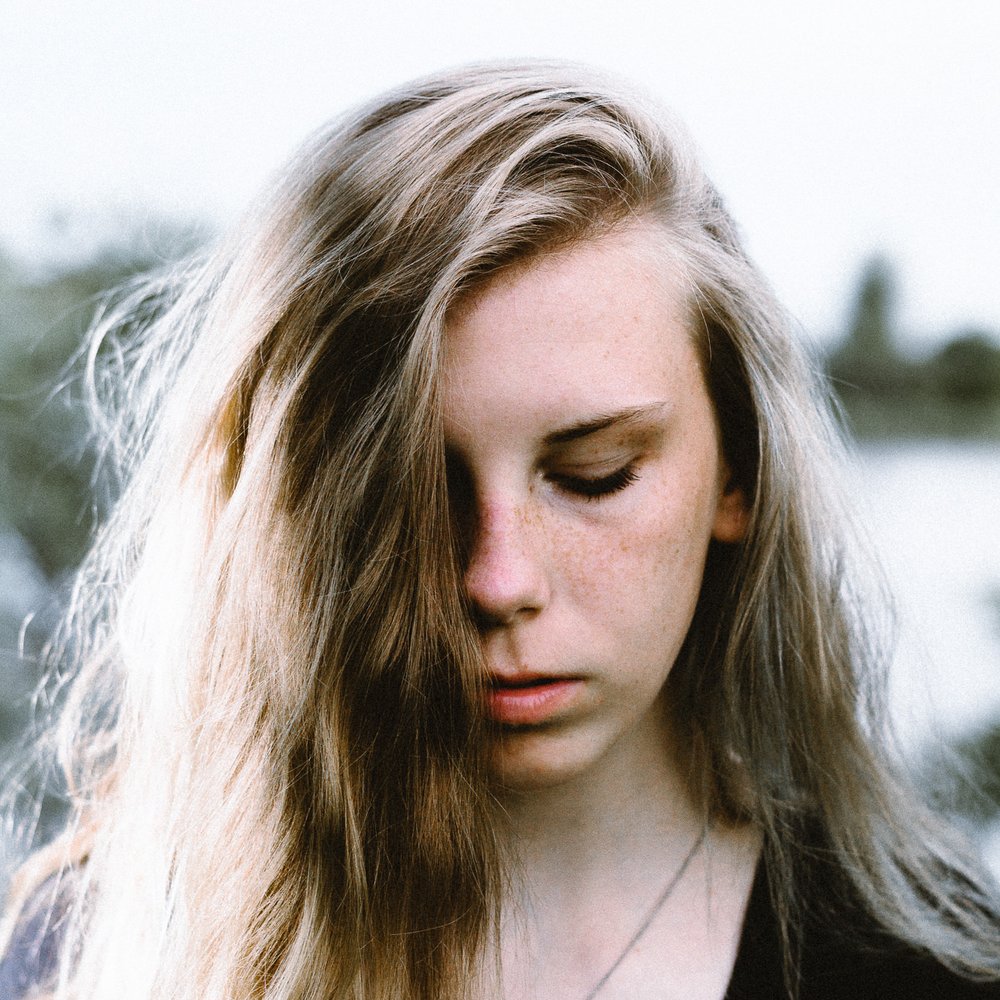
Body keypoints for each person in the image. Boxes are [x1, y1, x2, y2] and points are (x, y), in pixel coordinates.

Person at [1, 60, 998, 1000]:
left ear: (737, 472)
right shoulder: (106, 945)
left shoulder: (923, 966)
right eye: (410, 492)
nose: (497, 579)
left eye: (593, 475)